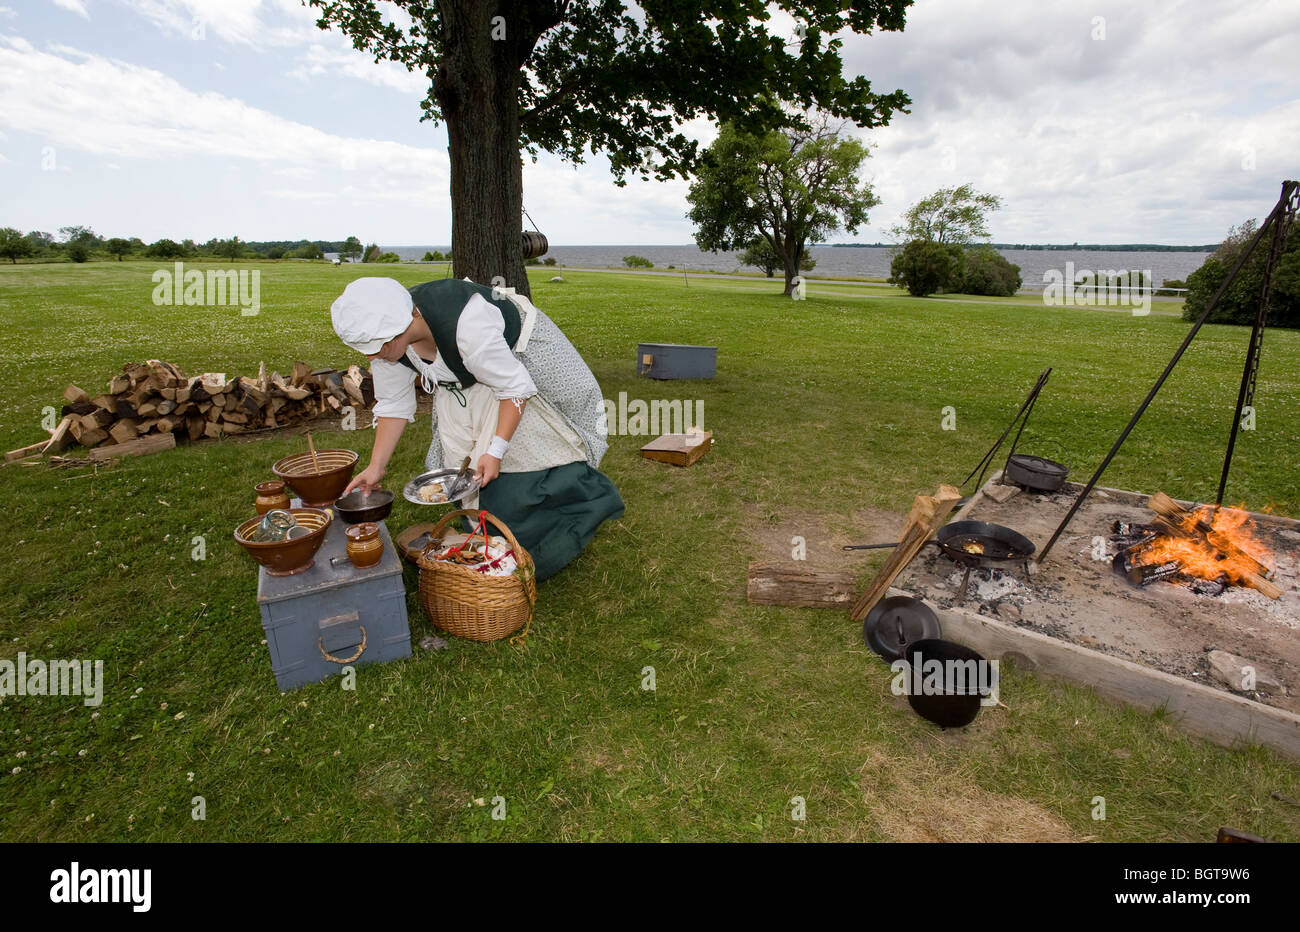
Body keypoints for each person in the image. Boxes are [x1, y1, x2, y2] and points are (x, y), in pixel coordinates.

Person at [330, 275, 623, 581]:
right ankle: (491, 543)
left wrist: (495, 450)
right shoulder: (388, 344)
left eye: (376, 346)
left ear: (402, 324)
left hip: (517, 378)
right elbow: (393, 405)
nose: (371, 357)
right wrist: (376, 467)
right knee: (468, 475)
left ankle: (561, 527)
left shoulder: (469, 323)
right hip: (468, 386)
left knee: (518, 471)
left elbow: (515, 390)